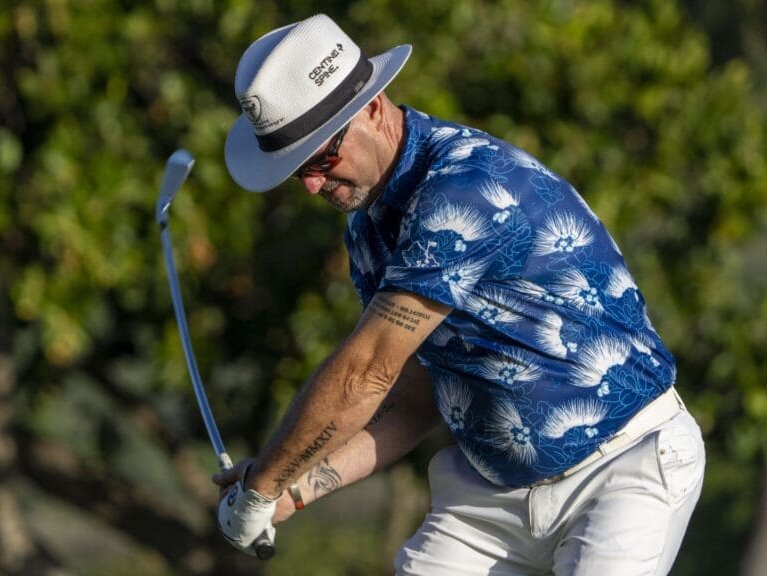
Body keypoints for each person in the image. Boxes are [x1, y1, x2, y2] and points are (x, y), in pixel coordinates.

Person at [212, 13, 705, 575]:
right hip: (490, 498)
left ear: (373, 107)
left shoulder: (465, 187)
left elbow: (365, 371)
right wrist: (289, 490)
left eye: (323, 158)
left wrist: (261, 485)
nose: (313, 185)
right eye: (299, 169)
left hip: (622, 467)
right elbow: (413, 395)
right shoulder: (368, 230)